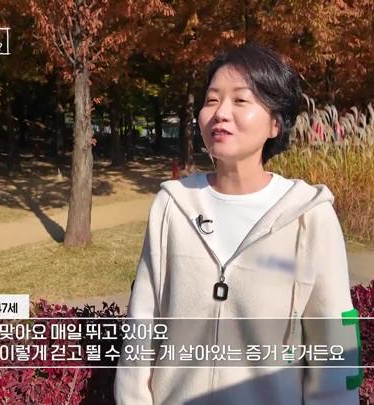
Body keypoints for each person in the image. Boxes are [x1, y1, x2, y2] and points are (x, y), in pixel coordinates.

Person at [114, 43, 360, 405]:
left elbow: (334, 345)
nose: (221, 113)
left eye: (241, 100)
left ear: (275, 123)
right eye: (212, 100)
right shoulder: (173, 205)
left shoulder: (308, 215)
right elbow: (143, 323)